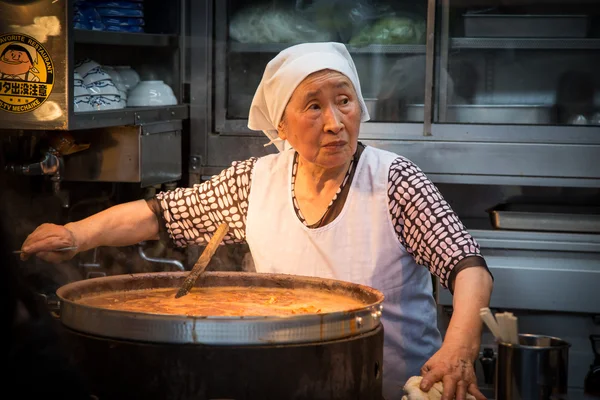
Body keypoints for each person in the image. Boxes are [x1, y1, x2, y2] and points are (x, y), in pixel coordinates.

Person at [20, 42, 493, 400]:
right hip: (285, 384)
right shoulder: (255, 181)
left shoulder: (393, 181)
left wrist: (458, 348)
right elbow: (160, 215)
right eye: (313, 106)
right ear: (281, 125)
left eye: (344, 100)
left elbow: (466, 264)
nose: (334, 121)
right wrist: (75, 235)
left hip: (389, 386)